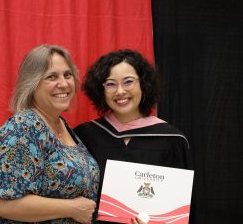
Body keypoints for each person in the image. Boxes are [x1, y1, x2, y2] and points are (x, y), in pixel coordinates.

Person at [0, 44, 100, 224]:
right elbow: (1, 204)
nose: (64, 83)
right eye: (52, 77)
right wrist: (73, 208)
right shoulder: (23, 127)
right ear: (32, 83)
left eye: (67, 75)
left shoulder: (62, 125)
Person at [74, 49, 192, 224]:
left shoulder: (171, 140)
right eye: (111, 84)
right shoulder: (85, 135)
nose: (120, 91)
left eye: (128, 82)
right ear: (101, 89)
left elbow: (180, 209)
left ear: (143, 85)